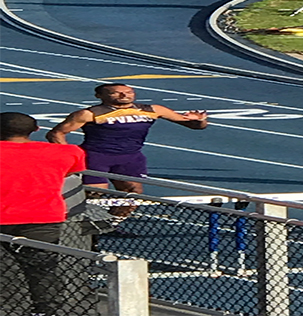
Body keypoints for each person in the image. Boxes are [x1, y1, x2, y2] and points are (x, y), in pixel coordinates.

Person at [46, 84, 208, 226]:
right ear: (100, 96)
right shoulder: (88, 114)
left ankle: (111, 225)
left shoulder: (153, 110)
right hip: (96, 157)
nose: (124, 95)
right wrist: (69, 156)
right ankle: (78, 225)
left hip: (131, 158)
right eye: (116, 93)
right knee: (94, 195)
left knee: (133, 193)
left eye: (129, 92)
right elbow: (56, 134)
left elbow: (195, 126)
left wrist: (200, 120)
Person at [1, 112, 87, 315]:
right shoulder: (68, 152)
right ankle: (46, 310)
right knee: (42, 268)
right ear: (36, 130)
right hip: (43, 218)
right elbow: (71, 171)